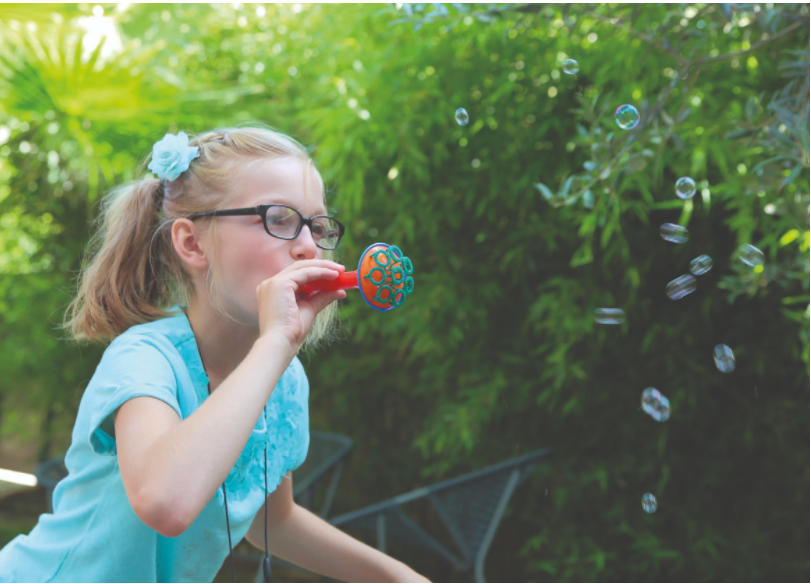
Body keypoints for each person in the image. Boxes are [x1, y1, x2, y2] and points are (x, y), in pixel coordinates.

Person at [0, 126, 431, 583]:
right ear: (191, 243)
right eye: (279, 218)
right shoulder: (146, 358)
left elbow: (275, 523)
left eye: (318, 226)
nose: (309, 244)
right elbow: (166, 503)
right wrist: (275, 344)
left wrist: (396, 575)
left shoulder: (283, 380)